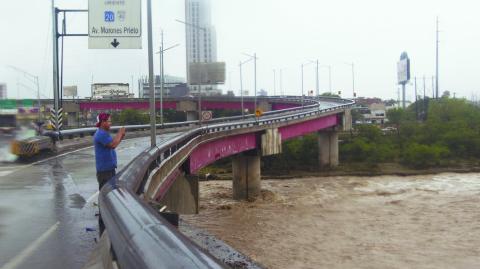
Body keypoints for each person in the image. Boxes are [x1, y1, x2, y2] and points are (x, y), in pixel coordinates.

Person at [93, 113, 125, 234]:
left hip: (109, 170)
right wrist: (120, 134)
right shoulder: (100, 134)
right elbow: (113, 145)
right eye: (109, 121)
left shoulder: (105, 134)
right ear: (102, 122)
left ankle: (107, 223)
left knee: (110, 197)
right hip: (104, 172)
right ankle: (104, 227)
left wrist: (120, 136)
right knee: (106, 198)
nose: (110, 123)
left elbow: (114, 143)